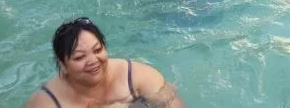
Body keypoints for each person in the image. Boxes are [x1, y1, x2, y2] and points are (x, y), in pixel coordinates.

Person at [26, 17, 185, 107]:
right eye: (80, 57)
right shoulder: (47, 102)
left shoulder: (135, 76)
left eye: (97, 50)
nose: (93, 61)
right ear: (63, 65)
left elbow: (173, 103)